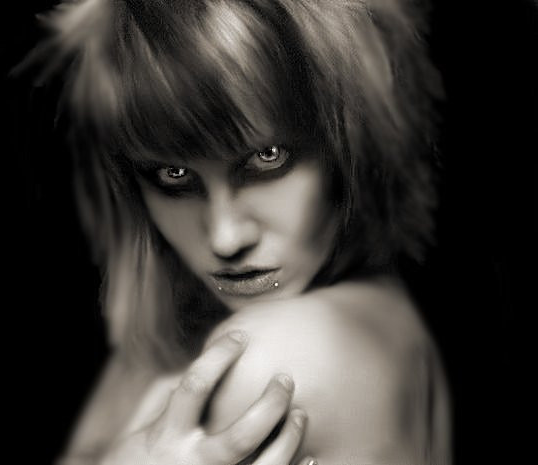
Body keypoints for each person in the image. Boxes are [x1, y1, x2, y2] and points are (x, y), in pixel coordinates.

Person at [23, 0, 452, 463]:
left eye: (267, 158)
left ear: (348, 143)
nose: (225, 239)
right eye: (173, 176)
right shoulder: (389, 311)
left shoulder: (264, 360)